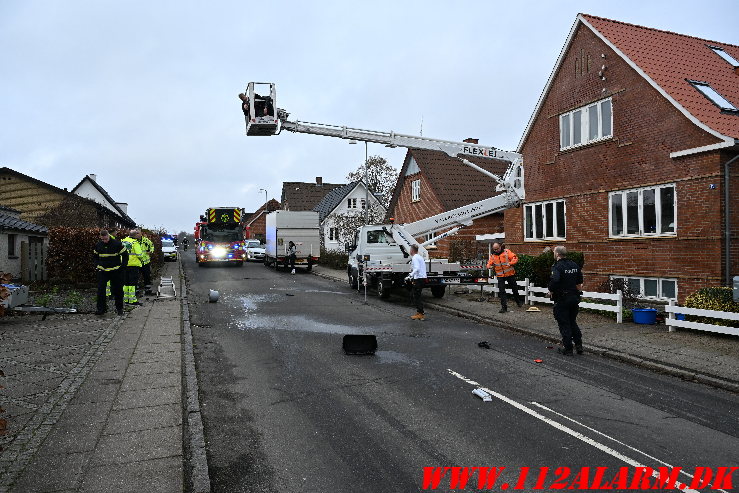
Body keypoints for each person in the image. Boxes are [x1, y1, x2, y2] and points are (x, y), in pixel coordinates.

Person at [548, 245, 584, 356]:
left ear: (557, 254)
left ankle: (568, 348)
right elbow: (579, 283)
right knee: (572, 321)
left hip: (562, 299)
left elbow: (555, 280)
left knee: (564, 324)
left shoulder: (557, 267)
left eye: (554, 252)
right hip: (574, 298)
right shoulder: (574, 265)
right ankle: (579, 346)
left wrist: (550, 290)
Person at [94, 229, 128, 316]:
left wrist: (122, 268)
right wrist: (97, 266)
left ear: (108, 236)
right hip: (103, 271)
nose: (104, 241)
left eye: (105, 239)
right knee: (101, 290)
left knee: (118, 290)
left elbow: (125, 256)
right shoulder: (98, 245)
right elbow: (95, 257)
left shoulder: (117, 244)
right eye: (102, 239)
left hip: (115, 271)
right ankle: (101, 309)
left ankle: (119, 309)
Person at [486, 242, 523, 313]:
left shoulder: (507, 252)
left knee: (514, 289)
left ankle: (518, 302)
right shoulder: (493, 256)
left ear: (500, 247)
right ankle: (504, 307)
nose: (496, 250)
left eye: (497, 249)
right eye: (494, 249)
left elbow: (514, 258)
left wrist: (511, 263)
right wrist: (489, 266)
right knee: (502, 291)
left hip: (510, 274)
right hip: (500, 276)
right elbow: (489, 263)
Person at [121, 230, 144, 307]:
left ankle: (126, 299)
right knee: (133, 283)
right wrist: (142, 260)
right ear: (135, 235)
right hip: (133, 265)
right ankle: (132, 300)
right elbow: (140, 254)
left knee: (126, 282)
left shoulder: (123, 241)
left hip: (124, 265)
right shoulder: (135, 243)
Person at [406, 244, 427, 320]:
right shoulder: (419, 257)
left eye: (410, 250)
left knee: (416, 296)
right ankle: (419, 312)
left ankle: (421, 314)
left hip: (419, 279)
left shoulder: (415, 257)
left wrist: (410, 275)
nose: (409, 251)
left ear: (412, 250)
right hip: (421, 279)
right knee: (416, 295)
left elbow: (417, 268)